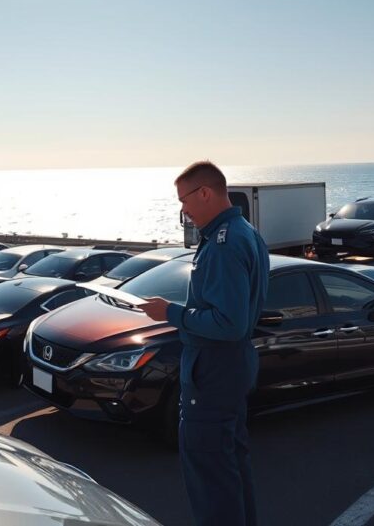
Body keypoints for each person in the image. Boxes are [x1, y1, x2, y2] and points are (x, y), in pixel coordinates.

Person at [140, 161, 269, 526]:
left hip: (212, 373)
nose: (183, 210)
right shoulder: (245, 233)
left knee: (210, 479)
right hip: (230, 370)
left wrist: (171, 313)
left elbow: (229, 323)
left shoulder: (225, 244)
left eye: (184, 199)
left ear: (206, 193)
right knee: (230, 471)